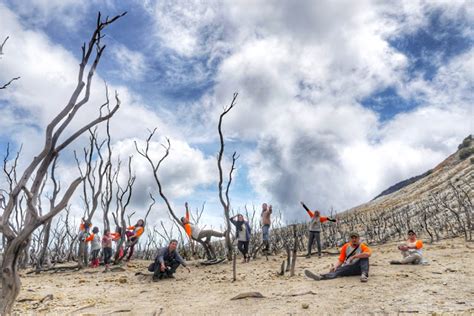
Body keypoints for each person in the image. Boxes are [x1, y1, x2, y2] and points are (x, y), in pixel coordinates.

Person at [304, 232, 371, 282]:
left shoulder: (362, 246)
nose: (354, 239)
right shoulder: (346, 247)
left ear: (358, 239)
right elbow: (341, 260)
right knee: (338, 270)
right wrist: (335, 266)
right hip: (349, 267)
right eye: (352, 238)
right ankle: (321, 277)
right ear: (350, 239)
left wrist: (355, 256)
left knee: (364, 258)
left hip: (359, 268)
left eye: (355, 238)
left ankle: (364, 275)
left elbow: (368, 254)